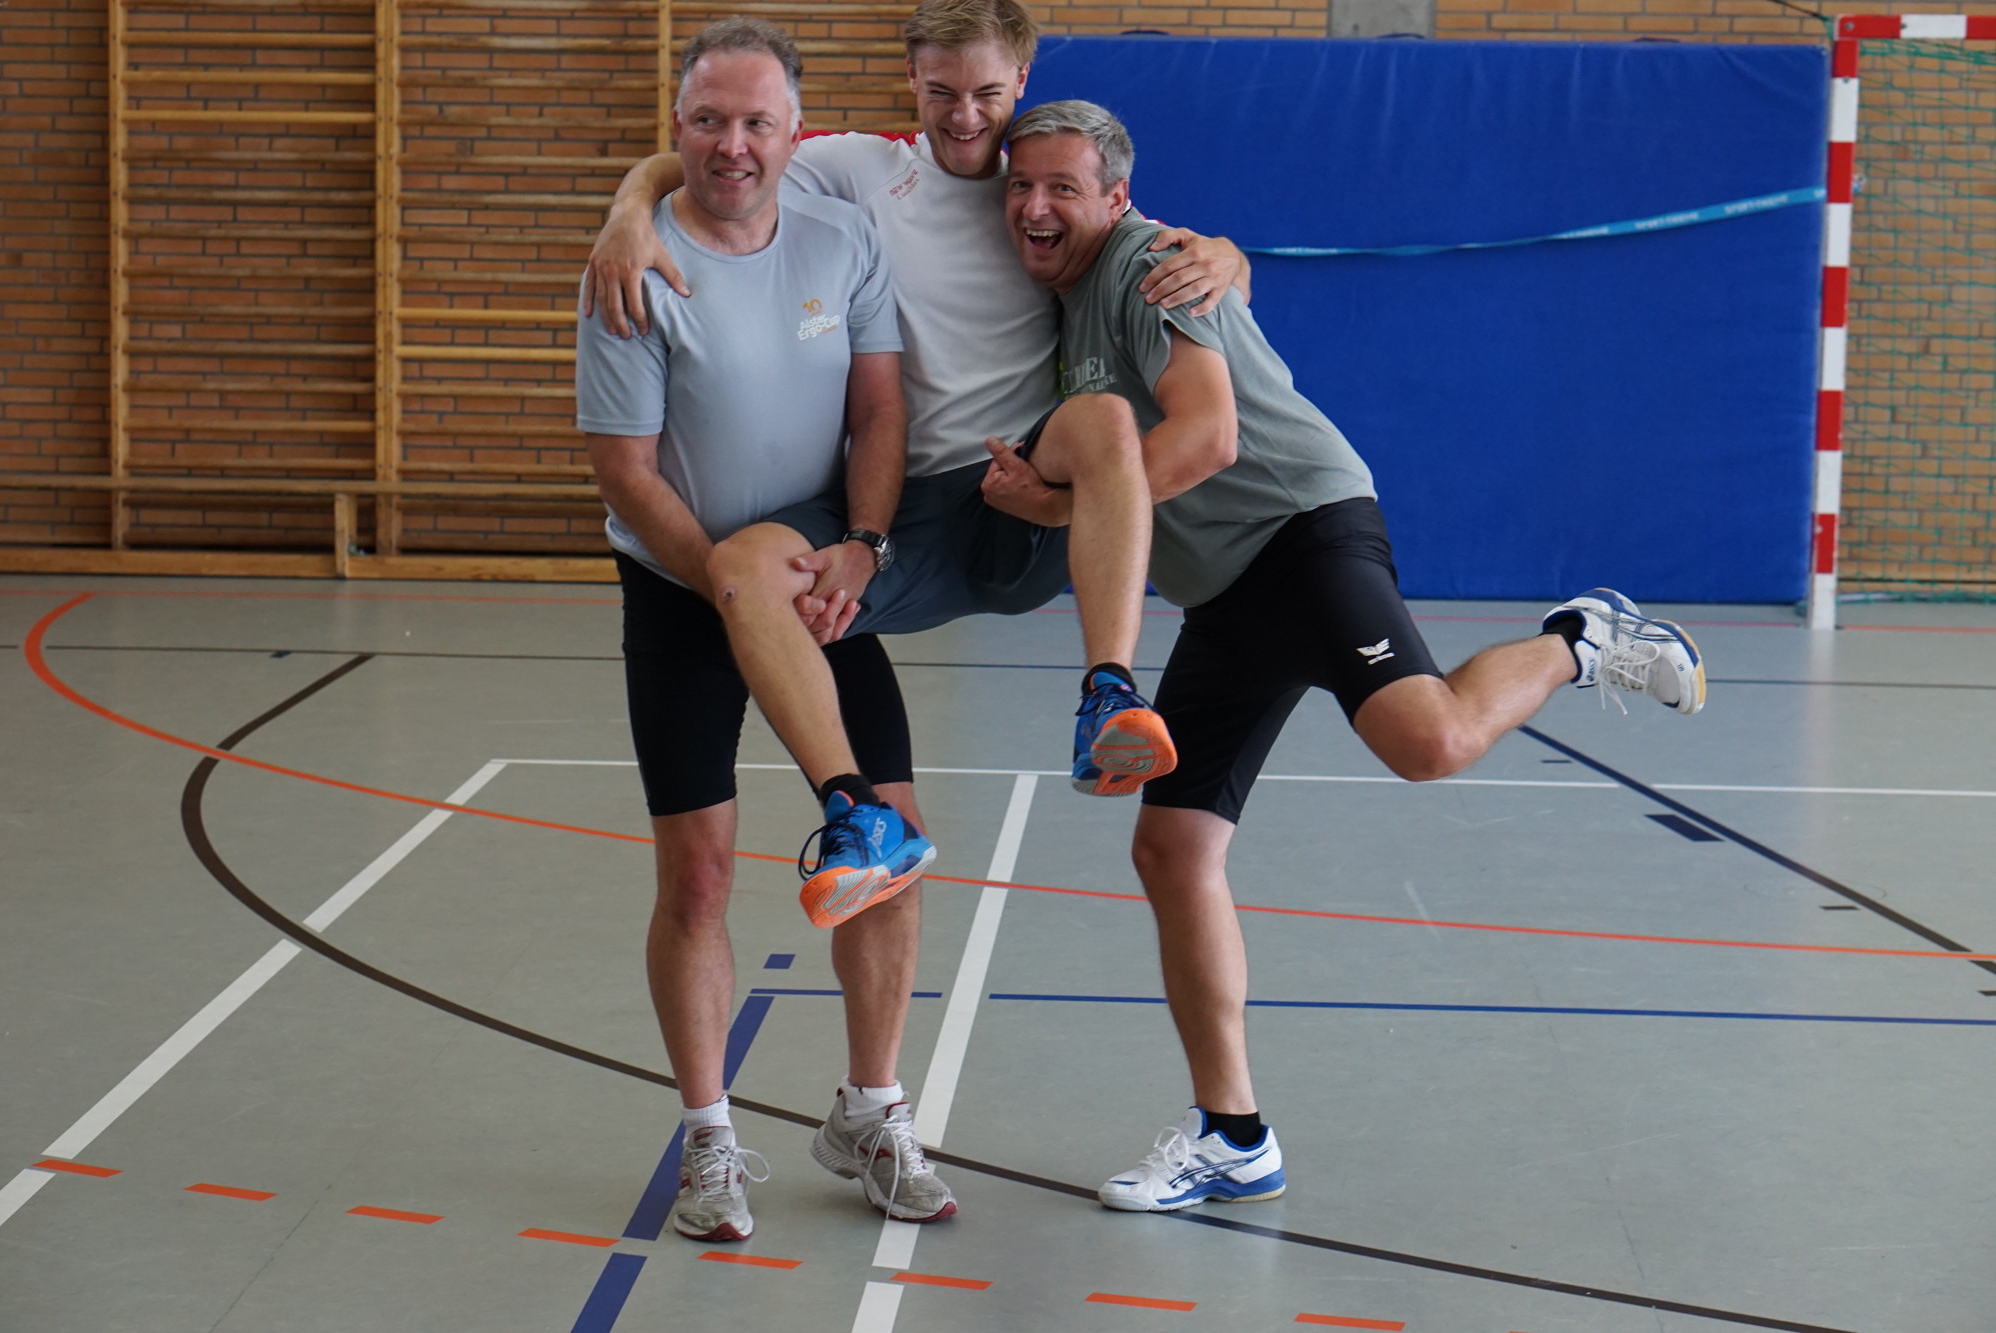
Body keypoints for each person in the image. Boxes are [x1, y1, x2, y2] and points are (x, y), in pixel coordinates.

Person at [986, 99, 1707, 1213]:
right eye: (1021, 186)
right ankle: (1233, 1137)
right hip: (1221, 588)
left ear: (1115, 198)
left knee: (1429, 743)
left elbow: (1208, 436)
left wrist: (1054, 502)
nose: (1035, 206)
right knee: (1172, 849)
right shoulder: (1072, 292)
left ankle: (1584, 636)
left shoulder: (1140, 265)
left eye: (1062, 188)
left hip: (1297, 527)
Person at [583, 1, 1257, 906]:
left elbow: (1154, 241)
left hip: (1015, 492)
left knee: (1100, 418)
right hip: (907, 508)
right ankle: (857, 812)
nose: (965, 115)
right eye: (942, 91)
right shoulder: (857, 169)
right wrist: (630, 211)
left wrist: (1229, 256)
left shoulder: (1044, 188)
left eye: (986, 93)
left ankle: (1109, 689)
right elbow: (725, 153)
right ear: (911, 79)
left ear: (1021, 82)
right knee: (748, 569)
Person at [574, 17, 953, 1243]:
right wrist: (731, 591)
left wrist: (864, 545)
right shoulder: (634, 268)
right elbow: (626, 472)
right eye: (706, 121)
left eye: (754, 123)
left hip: (819, 584)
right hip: (684, 595)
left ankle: (871, 1112)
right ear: (676, 129)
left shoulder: (840, 240)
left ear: (796, 134)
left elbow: (880, 412)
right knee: (696, 874)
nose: (729, 145)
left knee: (889, 845)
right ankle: (708, 1139)